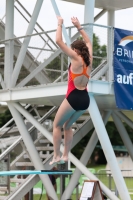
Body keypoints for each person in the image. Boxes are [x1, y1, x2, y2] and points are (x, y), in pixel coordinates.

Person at [49, 16, 92, 165]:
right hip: (85, 99)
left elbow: (59, 42)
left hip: (73, 96)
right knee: (68, 126)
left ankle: (56, 155)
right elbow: (88, 42)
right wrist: (78, 26)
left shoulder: (75, 57)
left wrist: (60, 24)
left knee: (56, 125)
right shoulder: (89, 58)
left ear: (75, 50)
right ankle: (66, 155)